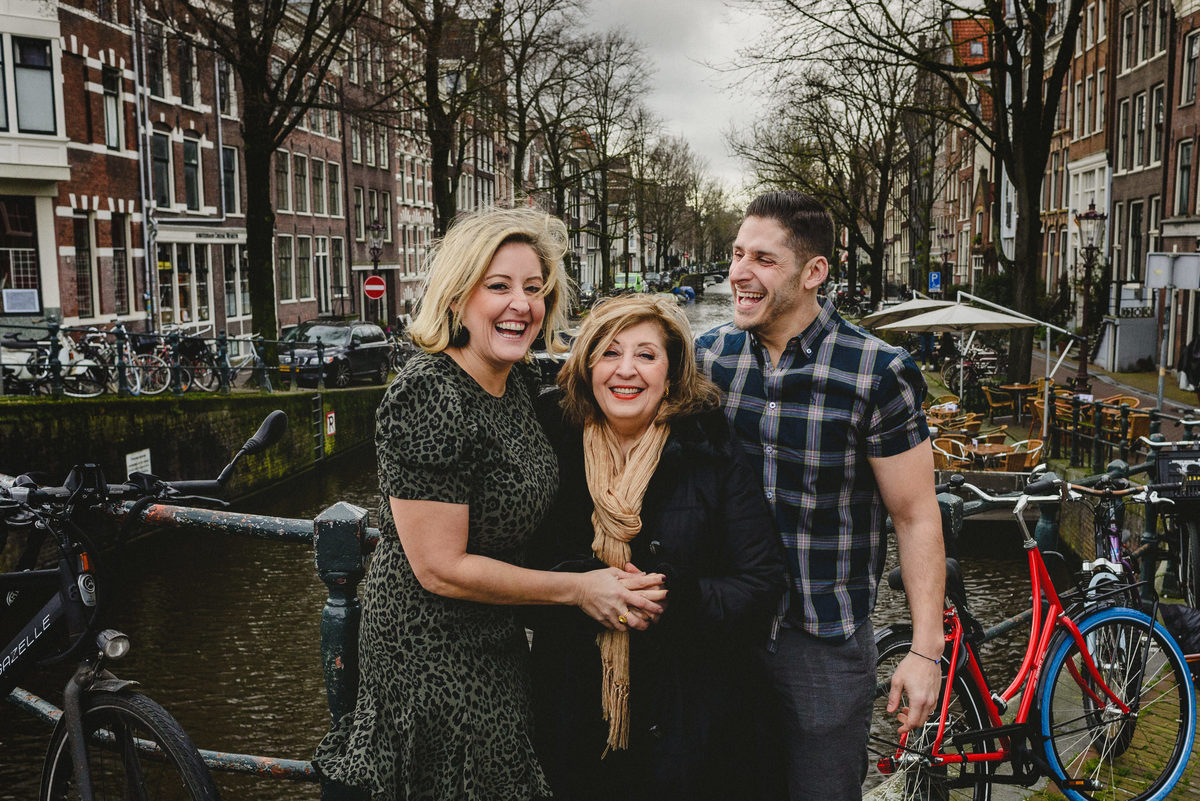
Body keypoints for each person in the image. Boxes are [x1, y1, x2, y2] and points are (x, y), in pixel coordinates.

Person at [312, 207, 666, 801]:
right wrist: (581, 589)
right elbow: (439, 567)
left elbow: (613, 377)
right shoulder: (428, 393)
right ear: (457, 296)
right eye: (498, 286)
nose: (520, 304)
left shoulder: (519, 383)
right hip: (429, 655)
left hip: (498, 639)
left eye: (534, 288)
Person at [695, 191, 946, 801]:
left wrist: (925, 650)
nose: (739, 272)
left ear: (813, 272)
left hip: (822, 639)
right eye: (737, 254)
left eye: (763, 259)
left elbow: (915, 516)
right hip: (725, 631)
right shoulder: (709, 358)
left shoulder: (877, 372)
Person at [528, 294, 786, 801]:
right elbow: (515, 569)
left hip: (692, 723)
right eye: (609, 352)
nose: (626, 369)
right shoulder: (550, 444)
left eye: (646, 355)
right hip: (574, 713)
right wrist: (584, 589)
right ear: (587, 368)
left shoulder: (709, 447)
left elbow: (761, 582)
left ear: (670, 374)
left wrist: (670, 597)